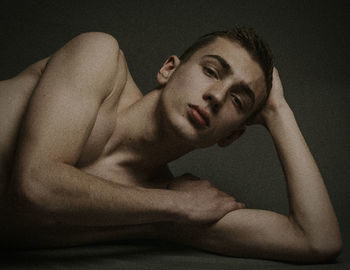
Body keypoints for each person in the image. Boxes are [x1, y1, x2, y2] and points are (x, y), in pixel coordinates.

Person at [0, 27, 342, 263]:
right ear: (168, 69)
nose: (217, 95)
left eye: (238, 100)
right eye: (212, 71)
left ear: (231, 136)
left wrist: (278, 112)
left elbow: (317, 240)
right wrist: (174, 204)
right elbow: (35, 183)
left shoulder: (164, 208)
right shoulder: (99, 60)